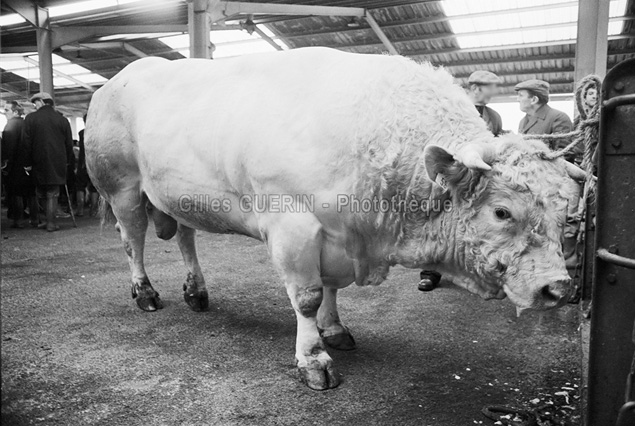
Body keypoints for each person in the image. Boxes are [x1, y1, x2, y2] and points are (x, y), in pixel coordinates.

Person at [417, 71, 505, 292]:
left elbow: (493, 143)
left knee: (475, 225)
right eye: (491, 87)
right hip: (449, 176)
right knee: (436, 222)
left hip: (477, 182)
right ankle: (430, 272)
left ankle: (466, 270)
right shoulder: (451, 107)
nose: (495, 92)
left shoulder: (493, 117)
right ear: (476, 88)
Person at [515, 80, 578, 267]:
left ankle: (567, 261)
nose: (518, 99)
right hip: (532, 182)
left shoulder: (558, 118)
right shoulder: (524, 121)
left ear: (534, 99)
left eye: (521, 95)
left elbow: (565, 154)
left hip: (555, 183)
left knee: (562, 224)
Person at [23, 92, 75, 232]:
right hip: (57, 161)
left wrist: (27, 163)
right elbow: (69, 144)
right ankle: (51, 223)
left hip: (37, 161)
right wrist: (68, 161)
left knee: (40, 191)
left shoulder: (30, 118)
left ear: (41, 101)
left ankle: (45, 221)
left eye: (35, 103)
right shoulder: (62, 120)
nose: (35, 106)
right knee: (53, 192)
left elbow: (26, 143)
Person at [1, 101, 38, 228]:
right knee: (31, 193)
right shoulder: (27, 124)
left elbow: (8, 148)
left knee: (16, 193)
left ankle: (19, 220)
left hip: (16, 165)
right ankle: (35, 219)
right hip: (30, 164)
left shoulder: (10, 125)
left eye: (7, 110)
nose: (5, 113)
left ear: (15, 112)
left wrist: (5, 165)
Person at [75, 114, 99, 217]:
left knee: (80, 187)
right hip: (94, 163)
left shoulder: (81, 133)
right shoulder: (98, 133)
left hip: (82, 164)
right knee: (94, 188)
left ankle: (80, 210)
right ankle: (93, 211)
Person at [466, 70, 503, 136]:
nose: (493, 93)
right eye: (489, 88)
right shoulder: (455, 112)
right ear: (475, 89)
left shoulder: (494, 116)